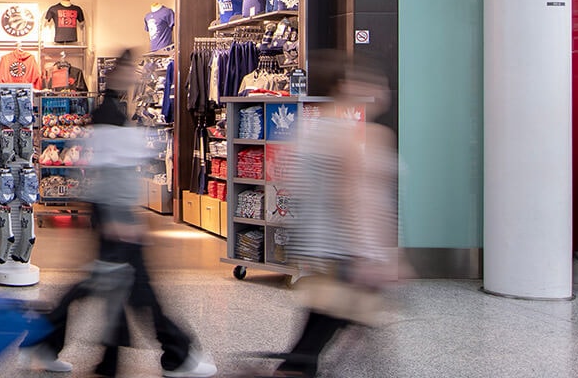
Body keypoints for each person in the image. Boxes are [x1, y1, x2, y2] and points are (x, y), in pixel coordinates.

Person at [21, 50, 217, 378]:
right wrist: (119, 218)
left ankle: (91, 355)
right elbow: (110, 168)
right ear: (121, 74)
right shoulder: (110, 112)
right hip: (115, 214)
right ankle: (176, 355)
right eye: (132, 71)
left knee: (109, 285)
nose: (137, 77)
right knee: (136, 288)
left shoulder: (112, 110)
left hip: (113, 212)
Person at [260, 52, 399, 378]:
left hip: (321, 246)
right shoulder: (350, 136)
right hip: (343, 250)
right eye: (373, 84)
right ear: (344, 86)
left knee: (319, 333)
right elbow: (352, 199)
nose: (381, 91)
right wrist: (375, 253)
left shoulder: (311, 131)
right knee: (324, 334)